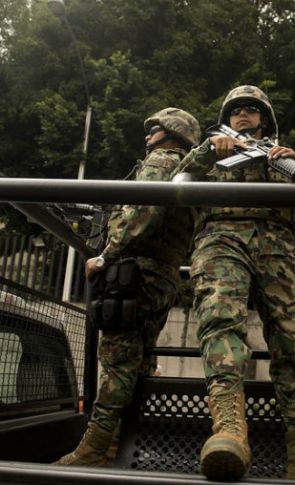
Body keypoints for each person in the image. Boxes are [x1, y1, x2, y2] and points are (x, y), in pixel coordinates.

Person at [172, 85, 295, 481]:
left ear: (264, 119)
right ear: (227, 117)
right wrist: (209, 152)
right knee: (220, 321)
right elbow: (179, 182)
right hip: (221, 237)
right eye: (236, 110)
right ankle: (228, 430)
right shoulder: (213, 148)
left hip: (277, 245)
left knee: (294, 340)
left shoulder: (283, 156)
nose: (243, 115)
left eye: (252, 110)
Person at [55, 108, 199, 467]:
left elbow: (139, 213)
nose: (148, 135)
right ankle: (116, 445)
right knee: (138, 364)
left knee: (118, 363)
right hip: (161, 277)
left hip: (135, 274)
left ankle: (93, 450)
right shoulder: (189, 168)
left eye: (154, 129)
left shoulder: (162, 160)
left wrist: (106, 255)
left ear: (171, 133)